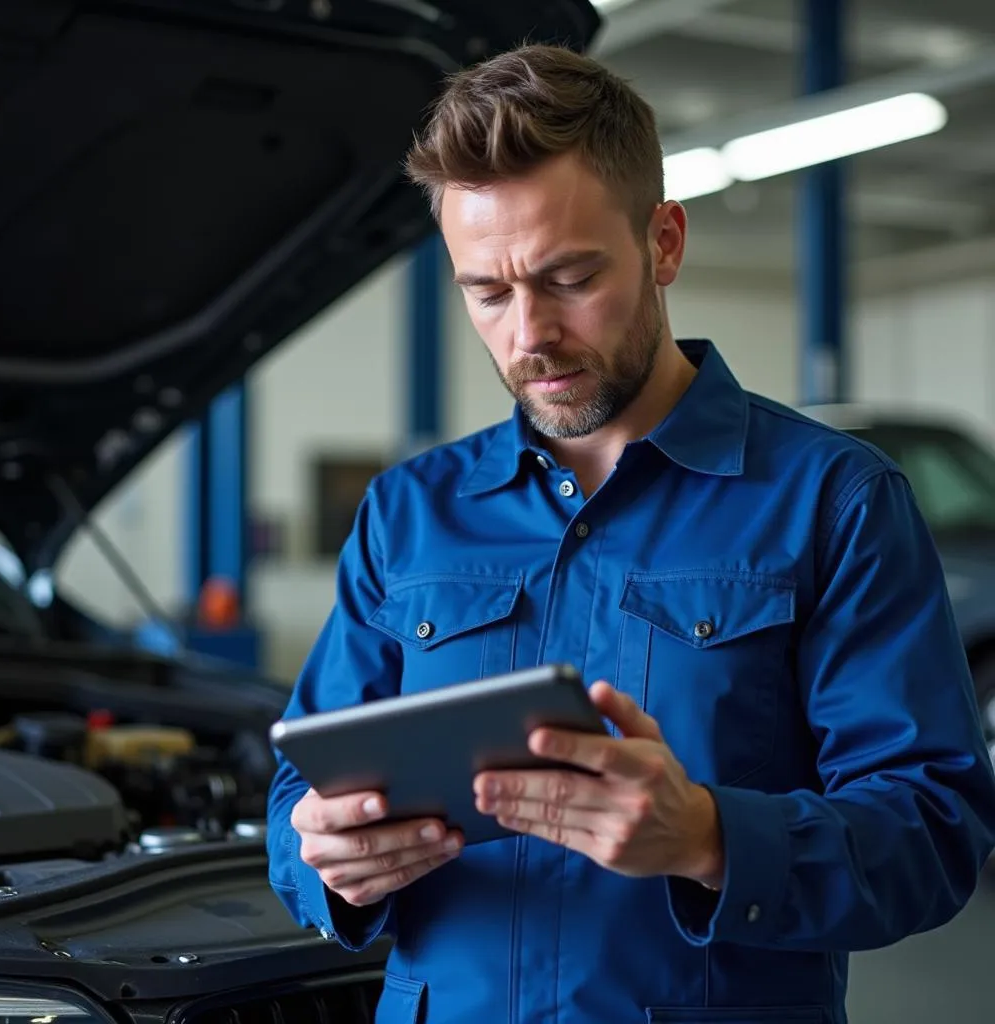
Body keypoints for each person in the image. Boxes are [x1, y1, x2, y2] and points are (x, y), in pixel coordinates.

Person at [267, 42, 995, 1024]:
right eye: (486, 290)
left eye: (569, 277)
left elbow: (936, 829)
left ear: (662, 243)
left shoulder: (835, 501)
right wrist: (326, 859)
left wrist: (707, 835)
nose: (528, 335)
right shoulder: (408, 513)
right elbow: (293, 800)